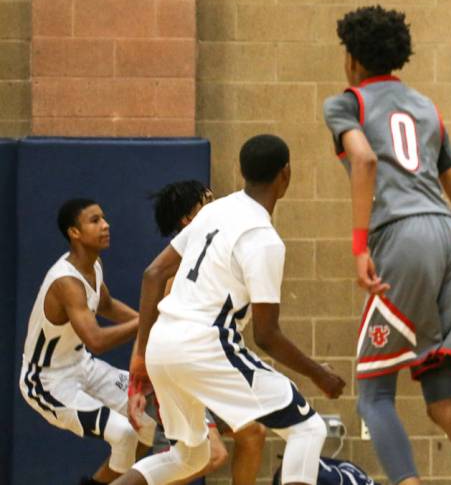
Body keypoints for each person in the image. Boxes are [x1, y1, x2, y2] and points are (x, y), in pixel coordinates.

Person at [323, 5, 451, 485]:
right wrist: (437, 258)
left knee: (374, 395)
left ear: (353, 58)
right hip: (449, 240)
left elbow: (363, 161)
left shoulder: (346, 103)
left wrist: (362, 248)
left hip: (402, 238)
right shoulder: (426, 107)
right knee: (444, 400)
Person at [113, 135, 346, 485]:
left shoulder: (213, 211)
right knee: (307, 428)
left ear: (241, 170)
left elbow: (153, 274)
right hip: (206, 345)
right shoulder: (263, 239)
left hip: (163, 344)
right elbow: (266, 336)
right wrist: (319, 374)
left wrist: (142, 353)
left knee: (190, 455)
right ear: (287, 174)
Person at [19, 198, 156, 485]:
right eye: (95, 221)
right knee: (124, 434)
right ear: (74, 233)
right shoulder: (66, 282)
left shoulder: (93, 266)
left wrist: (151, 326)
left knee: (148, 423)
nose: (105, 225)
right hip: (46, 380)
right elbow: (96, 339)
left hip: (82, 365)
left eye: (104, 218)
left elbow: (105, 304)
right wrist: (145, 320)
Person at [148, 179, 267, 485]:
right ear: (189, 220)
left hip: (209, 367)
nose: (218, 204)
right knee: (211, 456)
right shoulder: (181, 269)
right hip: (186, 373)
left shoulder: (216, 250)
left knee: (253, 433)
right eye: (208, 200)